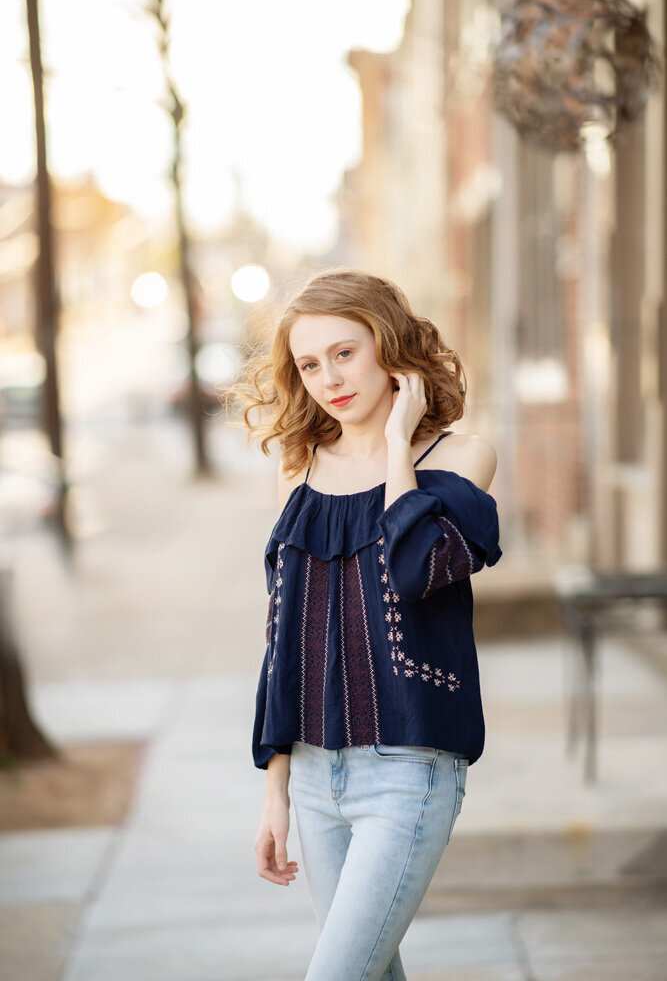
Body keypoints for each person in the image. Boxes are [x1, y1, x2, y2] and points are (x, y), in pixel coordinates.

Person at [231, 267, 502, 981]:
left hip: (408, 770)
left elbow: (413, 571)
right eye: (308, 364)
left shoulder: (459, 456)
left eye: (344, 353)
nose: (328, 378)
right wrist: (275, 792)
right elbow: (281, 638)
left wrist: (394, 448)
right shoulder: (299, 468)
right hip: (317, 776)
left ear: (388, 347)